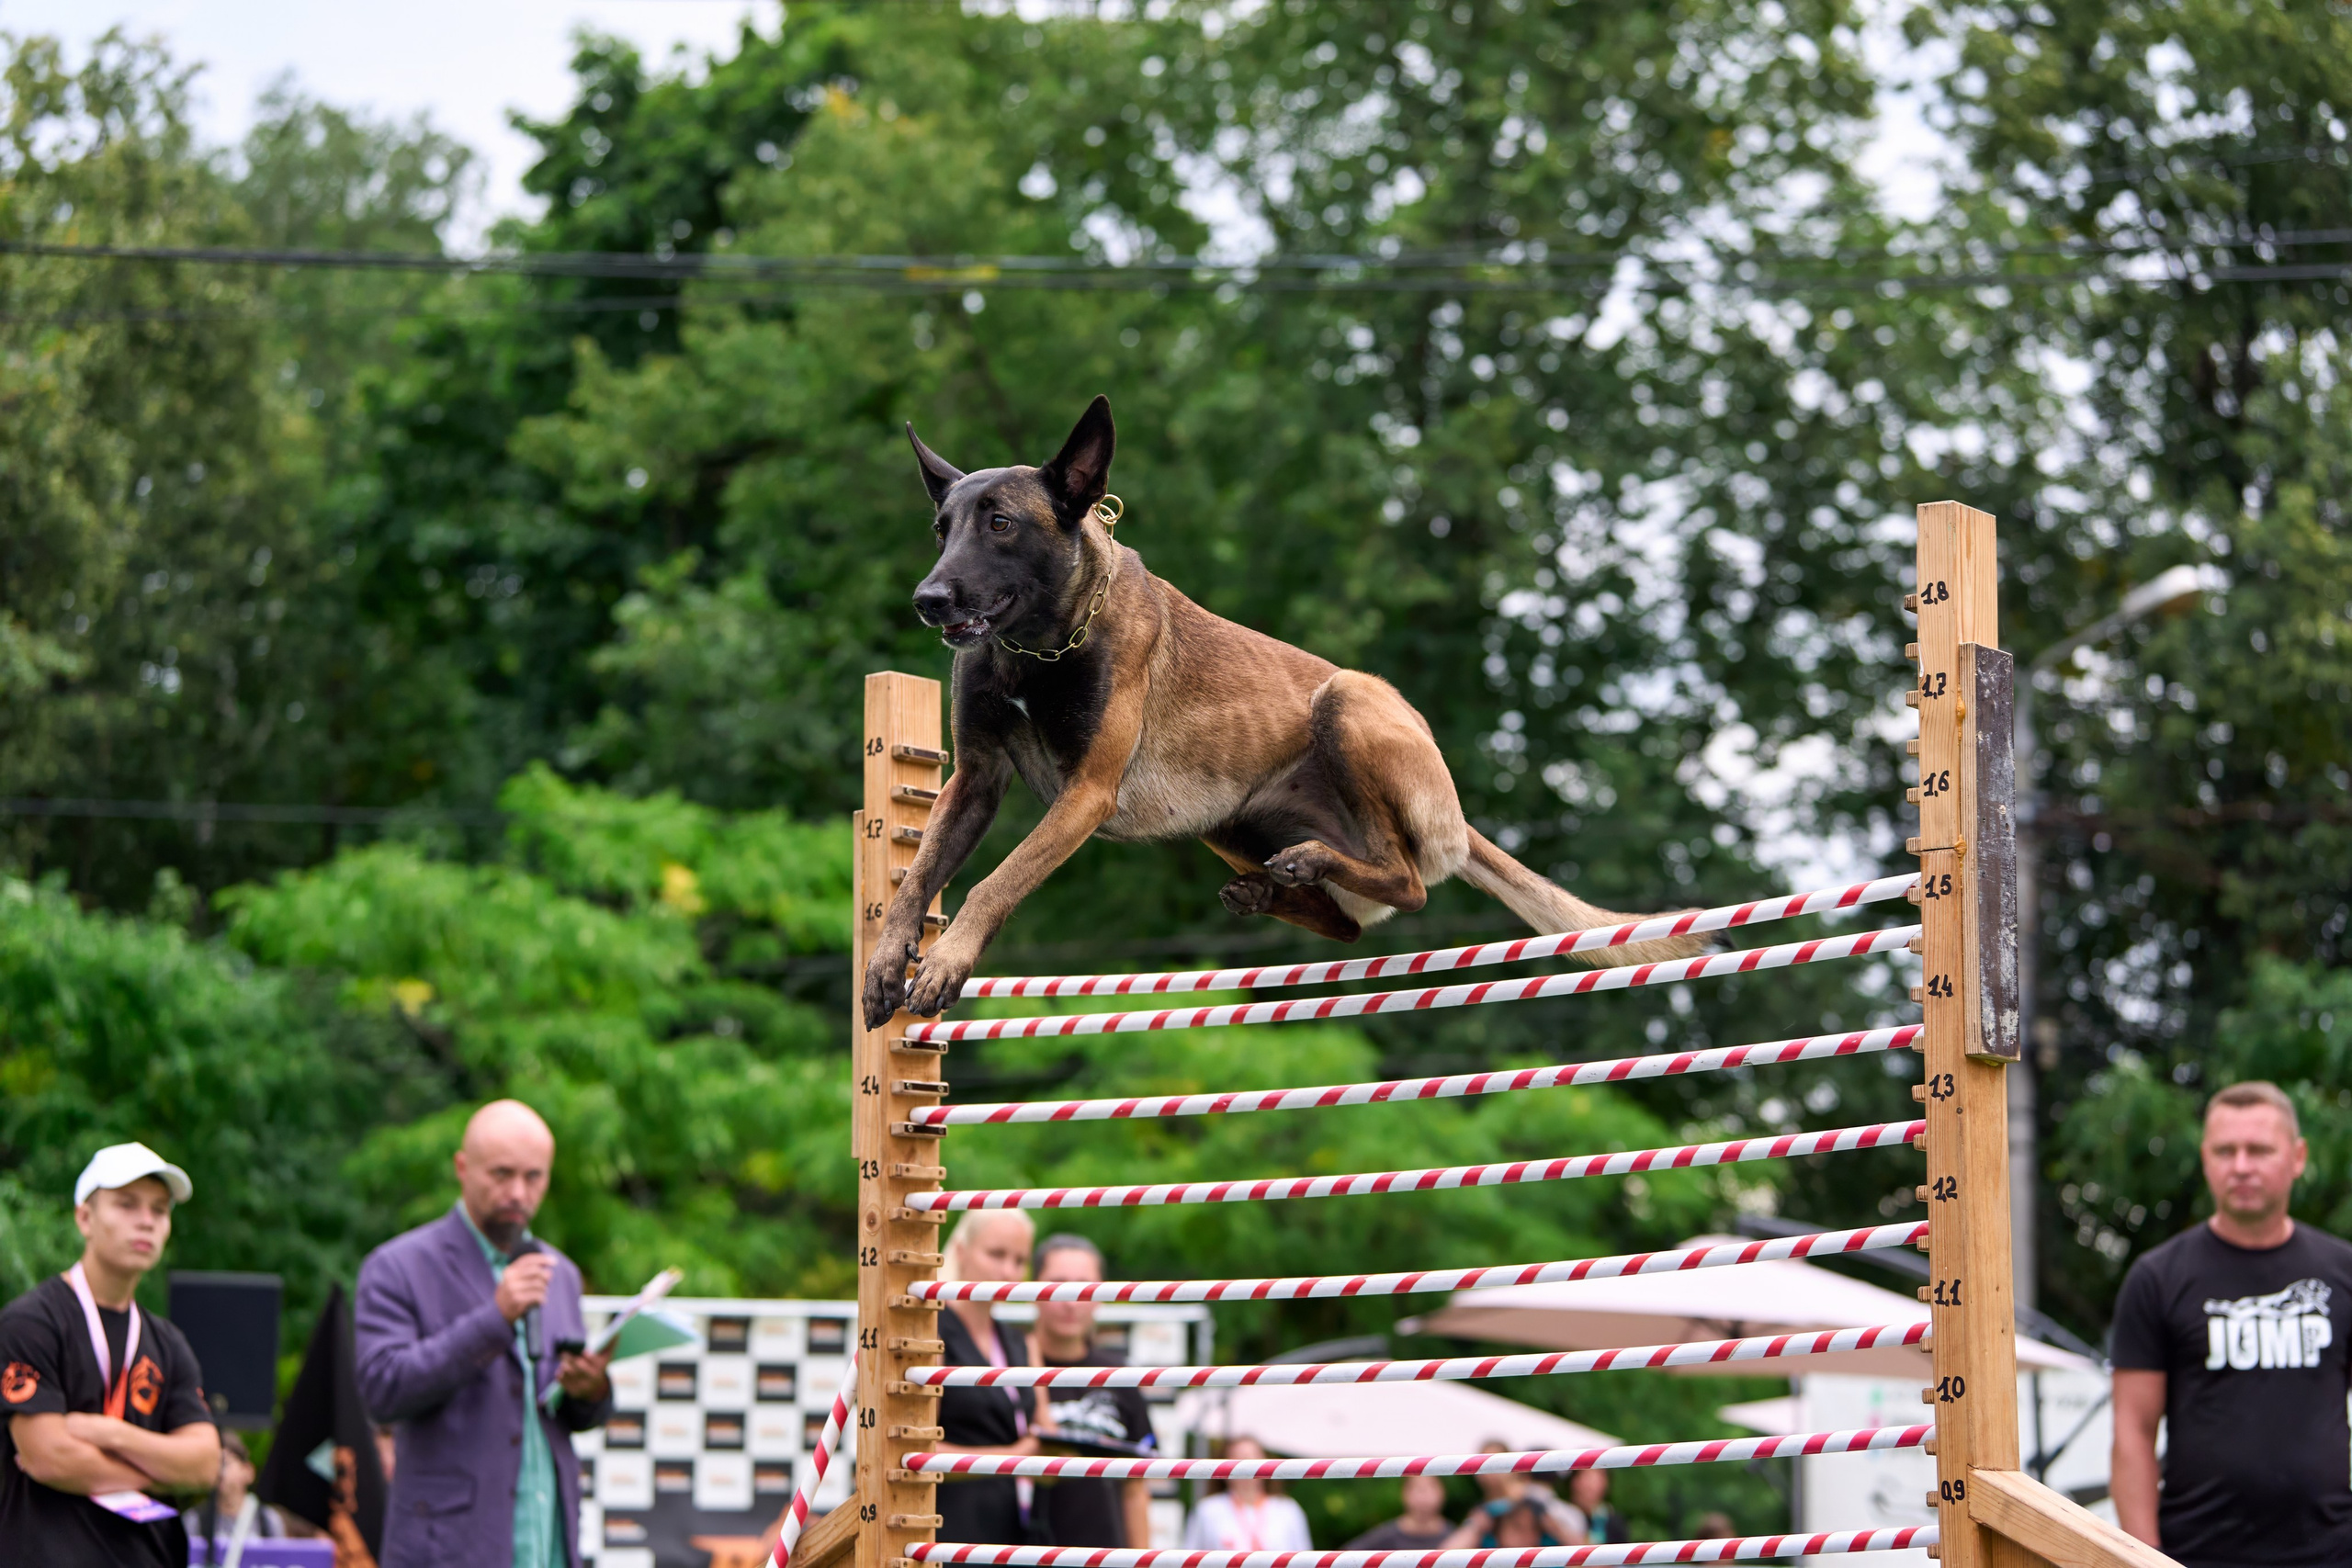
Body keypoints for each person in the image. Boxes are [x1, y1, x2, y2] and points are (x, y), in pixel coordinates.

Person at [354, 1100, 614, 1568]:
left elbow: (571, 1416)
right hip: (451, 1549)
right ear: (462, 1167)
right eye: (502, 1174)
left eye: (533, 1177)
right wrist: (494, 1318)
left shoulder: (562, 1274)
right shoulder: (398, 1266)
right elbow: (381, 1391)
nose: (518, 1191)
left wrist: (590, 1389)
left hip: (548, 1541)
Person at [2110, 1080, 2352, 1564]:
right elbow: (2132, 1431)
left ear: (2298, 1157)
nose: (2241, 1166)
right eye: (2226, 1151)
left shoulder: (2342, 1272)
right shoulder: (2157, 1277)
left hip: (2330, 1553)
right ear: (2205, 1158)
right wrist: (2147, 1558)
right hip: (2193, 1554)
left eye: (2259, 1150)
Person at [0, 1141, 222, 1568]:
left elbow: (204, 1463)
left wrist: (109, 1434)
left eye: (159, 1210)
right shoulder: (31, 1322)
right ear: (85, 1217)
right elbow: (47, 1456)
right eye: (127, 1205)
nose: (146, 1222)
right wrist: (160, 1473)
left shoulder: (168, 1341)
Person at [933, 1211, 1053, 1545]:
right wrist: (1013, 1457)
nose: (1008, 1271)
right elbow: (915, 1453)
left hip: (1016, 1531)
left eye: (1020, 1260)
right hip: (948, 1530)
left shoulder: (1022, 1342)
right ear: (961, 1251)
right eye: (996, 1254)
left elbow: (1046, 1433)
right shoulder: (930, 1335)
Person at [1031, 1235, 1155, 1548]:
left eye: (1083, 1286)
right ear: (1033, 1289)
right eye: (1058, 1284)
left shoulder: (1119, 1376)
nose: (1071, 1301)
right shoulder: (1005, 1370)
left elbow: (1136, 1487)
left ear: (1101, 1294)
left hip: (1106, 1554)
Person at [1441, 1440, 1585, 1549]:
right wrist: (1475, 1526)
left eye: (1497, 1462)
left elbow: (1589, 1558)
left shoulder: (1543, 1508)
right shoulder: (1484, 1516)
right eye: (1483, 1463)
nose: (1490, 1472)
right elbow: (1444, 1557)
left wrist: (1555, 1526)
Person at [1181, 1437, 1312, 1552]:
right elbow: (1190, 1559)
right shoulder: (1207, 1509)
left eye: (1253, 1459)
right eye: (1239, 1460)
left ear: (1267, 1465)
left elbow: (1305, 1561)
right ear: (1223, 1468)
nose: (1247, 1468)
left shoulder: (1288, 1509)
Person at [183, 1431, 289, 1552]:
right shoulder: (194, 1520)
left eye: (225, 1464)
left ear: (248, 1471)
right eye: (213, 1465)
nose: (219, 1472)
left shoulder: (267, 1519)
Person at [1343, 1473, 1454, 1551]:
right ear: (1404, 1493)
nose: (1423, 1496)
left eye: (1431, 1487)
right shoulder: (1385, 1535)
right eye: (1417, 1488)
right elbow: (1344, 1557)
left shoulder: (1455, 1535)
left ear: (1443, 1491)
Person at [1566, 1470, 1625, 1544]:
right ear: (1574, 1483)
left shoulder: (1613, 1523)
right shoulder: (1559, 1516)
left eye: (1595, 1481)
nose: (1590, 1485)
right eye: (1587, 1479)